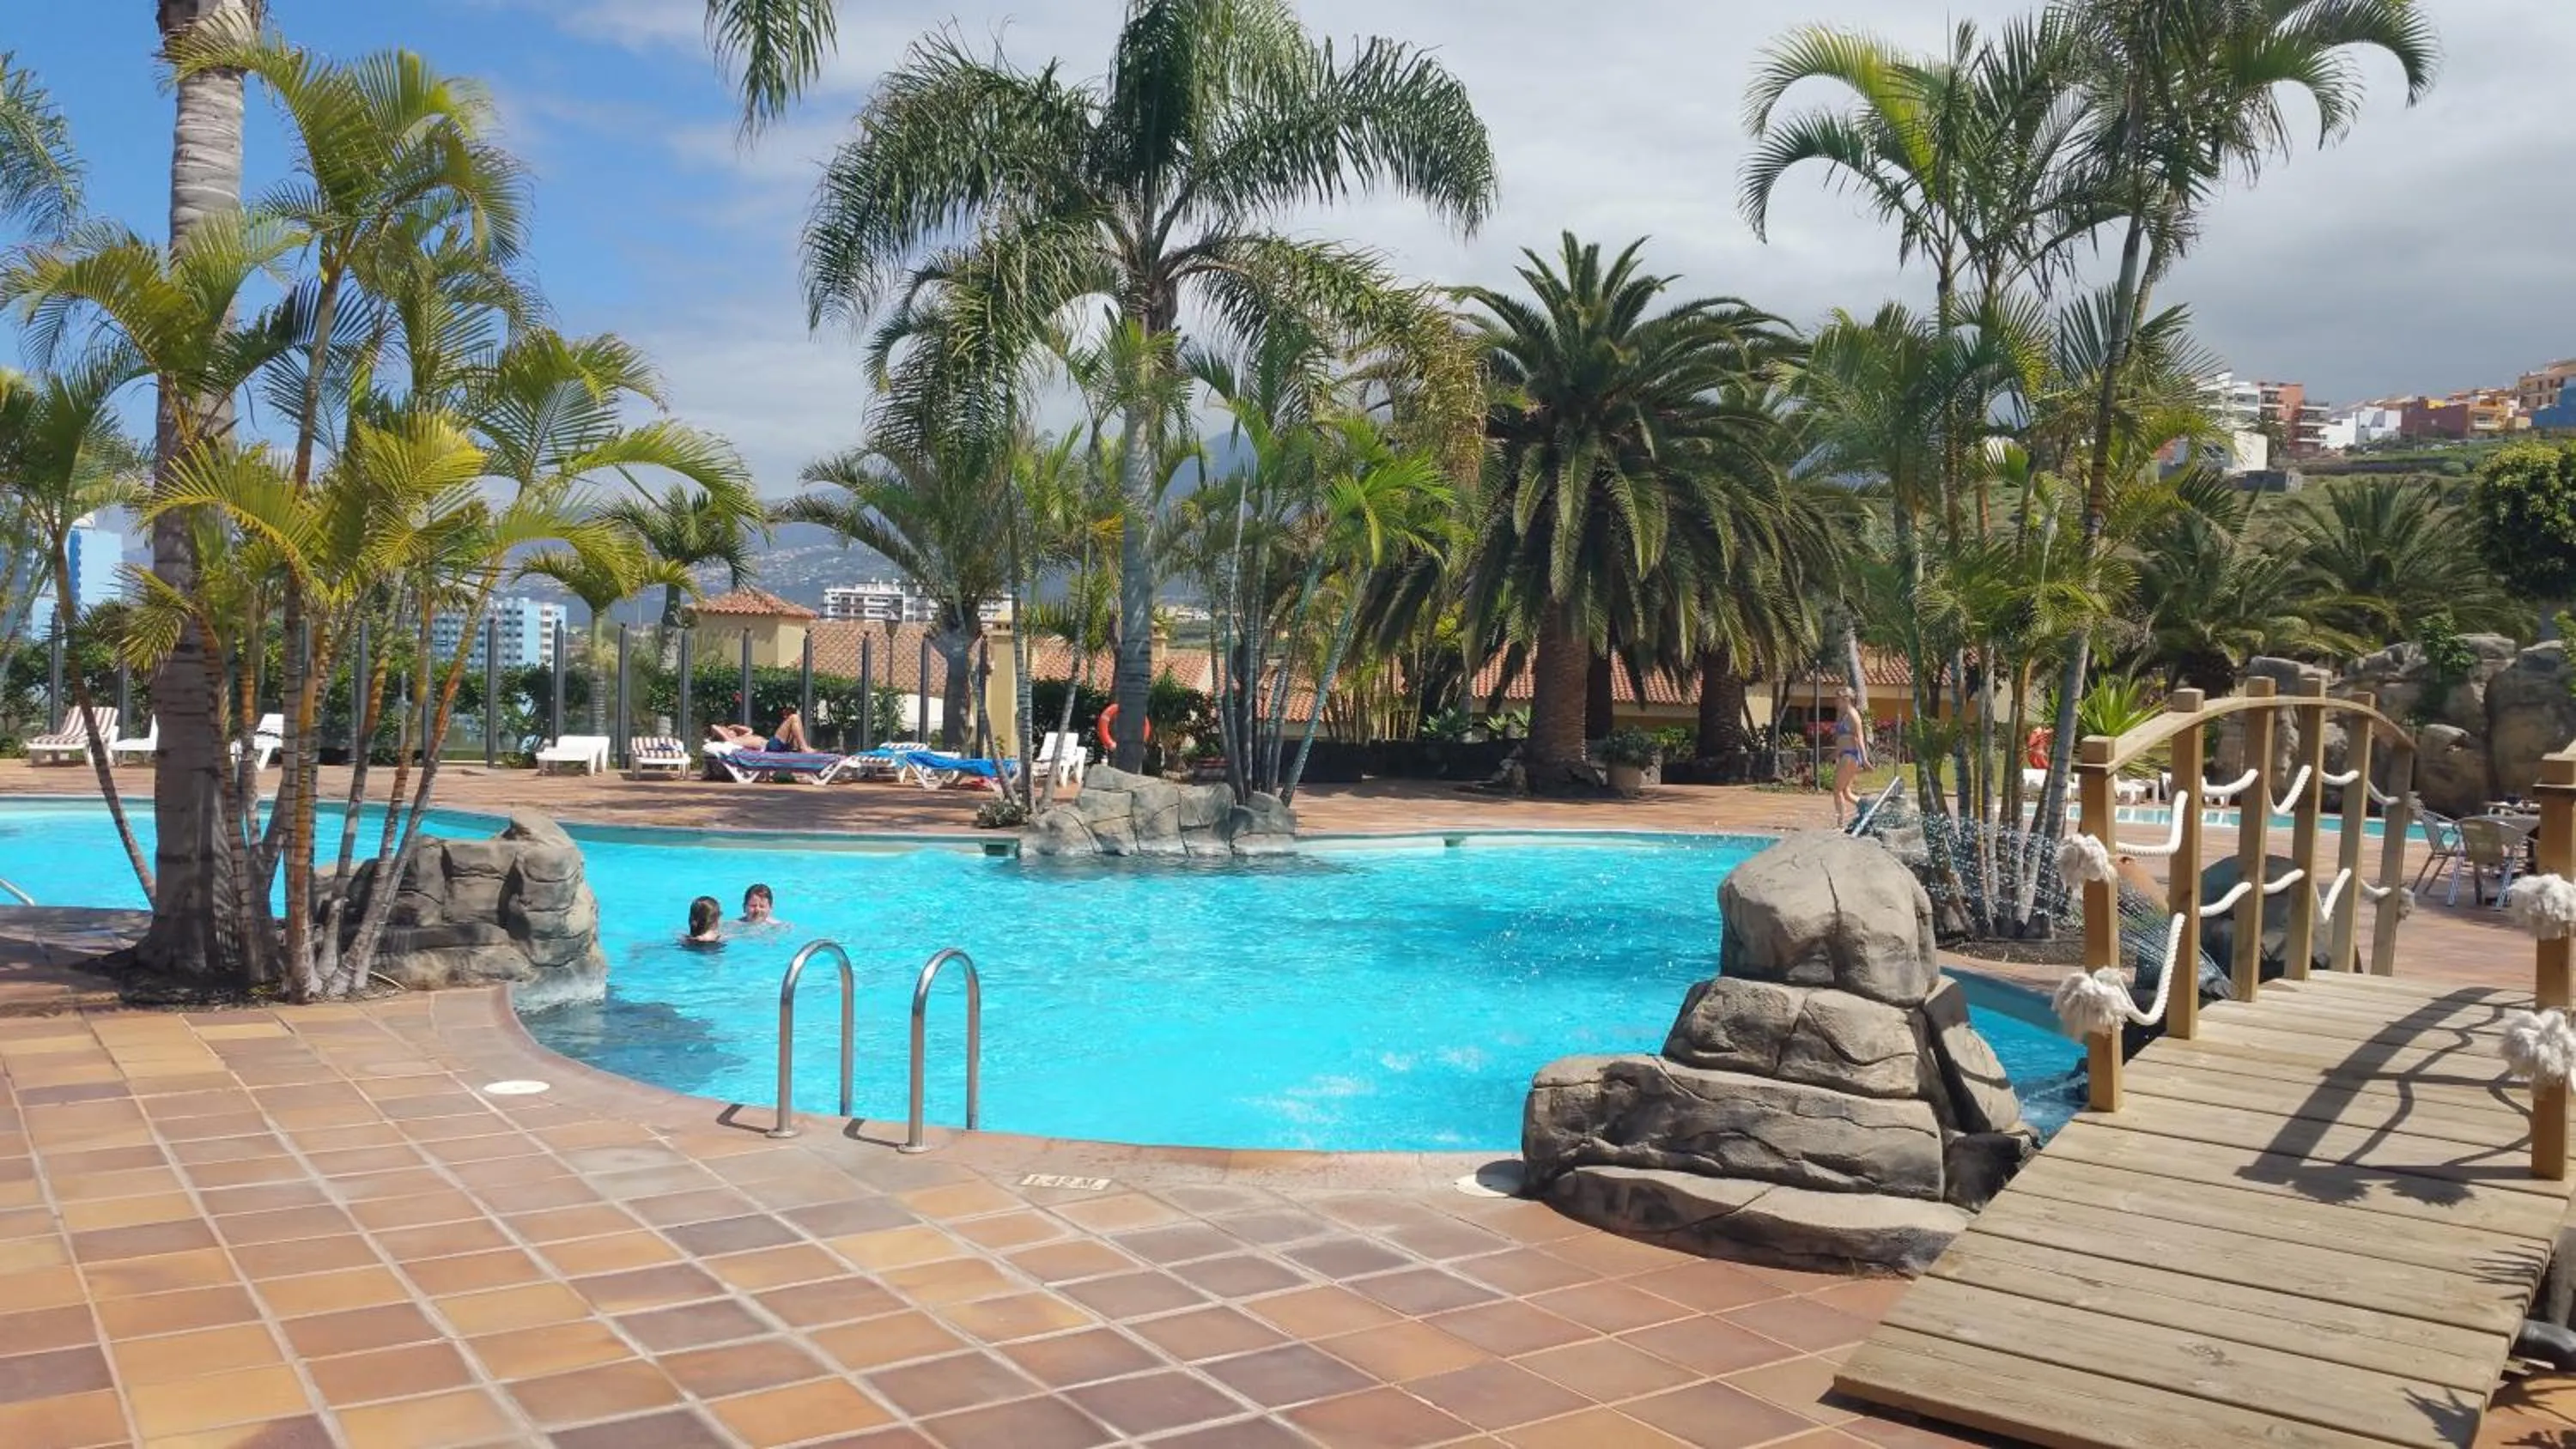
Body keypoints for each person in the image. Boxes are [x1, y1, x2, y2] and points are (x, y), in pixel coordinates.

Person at [1832, 687, 1870, 826]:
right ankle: (1867, 807)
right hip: (1845, 756)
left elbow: (1860, 738)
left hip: (1850, 756)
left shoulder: (1853, 715)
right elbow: (1841, 739)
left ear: (1845, 699)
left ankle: (1840, 824)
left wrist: (1865, 760)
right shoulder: (1844, 715)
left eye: (1837, 699)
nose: (1835, 701)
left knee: (1837, 790)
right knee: (1846, 792)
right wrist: (1836, 755)